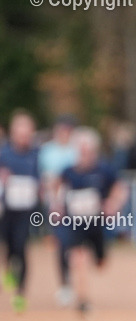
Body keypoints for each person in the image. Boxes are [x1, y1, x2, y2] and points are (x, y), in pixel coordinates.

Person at [57, 128, 126, 314]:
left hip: (96, 223)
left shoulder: (104, 170)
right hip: (75, 223)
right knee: (78, 258)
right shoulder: (68, 172)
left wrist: (113, 203)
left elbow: (120, 188)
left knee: (100, 262)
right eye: (82, 151)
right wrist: (57, 206)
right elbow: (58, 189)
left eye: (89, 151)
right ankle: (83, 299)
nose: (85, 155)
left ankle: (99, 258)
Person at [0, 111, 41, 311]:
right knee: (9, 246)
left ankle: (20, 293)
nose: (24, 137)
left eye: (27, 133)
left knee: (21, 247)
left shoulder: (36, 154)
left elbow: (41, 178)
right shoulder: (4, 154)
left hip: (27, 210)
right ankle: (8, 269)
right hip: (7, 209)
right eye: (20, 133)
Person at [39, 115, 78, 306]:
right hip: (55, 202)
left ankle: (74, 280)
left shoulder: (76, 151)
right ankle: (65, 284)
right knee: (62, 242)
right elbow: (41, 177)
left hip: (74, 202)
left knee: (74, 245)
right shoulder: (47, 151)